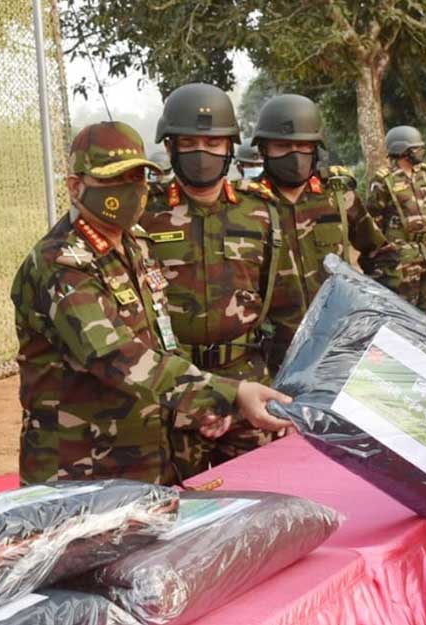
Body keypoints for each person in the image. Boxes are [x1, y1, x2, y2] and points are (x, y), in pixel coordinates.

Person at [11, 121, 293, 487]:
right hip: (79, 470)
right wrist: (226, 394)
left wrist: (200, 407)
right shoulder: (61, 263)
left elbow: (159, 341)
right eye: (113, 180)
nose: (130, 189)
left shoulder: (136, 244)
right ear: (75, 186)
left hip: (147, 460)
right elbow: (115, 355)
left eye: (137, 177)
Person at [140, 83, 304, 478]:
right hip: (174, 393)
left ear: (230, 147)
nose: (202, 152)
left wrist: (292, 396)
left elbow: (288, 311)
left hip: (249, 386)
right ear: (170, 147)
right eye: (189, 142)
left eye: (213, 143)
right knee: (173, 505)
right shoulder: (145, 214)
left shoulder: (261, 212)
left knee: (261, 499)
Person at [251, 94, 399, 306]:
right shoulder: (248, 204)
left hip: (336, 323)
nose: (295, 155)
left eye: (303, 145)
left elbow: (381, 254)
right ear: (263, 150)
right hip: (275, 327)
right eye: (282, 145)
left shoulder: (337, 196)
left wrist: (370, 304)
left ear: (315, 148)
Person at [365, 125, 426, 314]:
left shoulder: (424, 174)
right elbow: (374, 220)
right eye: (416, 148)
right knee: (406, 311)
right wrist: (382, 255)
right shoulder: (384, 180)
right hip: (402, 256)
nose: (421, 152)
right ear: (402, 150)